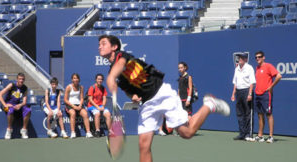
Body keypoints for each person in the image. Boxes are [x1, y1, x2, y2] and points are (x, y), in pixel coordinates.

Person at [98, 34, 230, 162]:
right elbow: (127, 90)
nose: (100, 47)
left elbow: (120, 66)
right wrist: (132, 96)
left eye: (103, 44)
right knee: (143, 146)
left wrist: (111, 78)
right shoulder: (112, 72)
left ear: (114, 47)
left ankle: (209, 105)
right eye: (99, 45)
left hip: (162, 94)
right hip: (147, 104)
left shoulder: (122, 56)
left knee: (187, 132)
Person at [254, 51, 282, 143]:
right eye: (256, 57)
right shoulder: (257, 68)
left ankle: (270, 136)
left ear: (263, 57)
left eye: (259, 57)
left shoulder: (268, 66)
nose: (257, 59)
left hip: (266, 94)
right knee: (260, 115)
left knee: (268, 114)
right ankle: (260, 136)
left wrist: (271, 86)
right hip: (257, 94)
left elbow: (279, 76)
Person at [230, 53, 256, 141]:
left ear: (245, 59)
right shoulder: (236, 68)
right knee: (240, 113)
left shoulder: (249, 68)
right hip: (238, 92)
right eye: (238, 58)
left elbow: (252, 82)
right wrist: (233, 93)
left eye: (241, 58)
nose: (239, 59)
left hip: (247, 90)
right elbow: (235, 82)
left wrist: (250, 94)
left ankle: (249, 134)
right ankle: (242, 133)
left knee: (248, 113)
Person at [0, 73, 31, 140]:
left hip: (16, 105)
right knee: (10, 110)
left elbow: (24, 102)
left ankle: (24, 130)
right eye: (20, 79)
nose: (21, 80)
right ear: (17, 79)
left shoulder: (25, 88)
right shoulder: (11, 85)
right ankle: (9, 130)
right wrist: (5, 104)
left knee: (28, 110)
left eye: (23, 79)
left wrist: (20, 105)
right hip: (7, 105)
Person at [64, 73, 93, 138]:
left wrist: (80, 105)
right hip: (70, 104)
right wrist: (73, 106)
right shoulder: (68, 87)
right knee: (73, 113)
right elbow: (65, 100)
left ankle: (88, 132)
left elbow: (82, 98)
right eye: (74, 78)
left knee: (85, 114)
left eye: (77, 78)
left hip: (78, 104)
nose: (76, 79)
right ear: (72, 79)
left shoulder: (81, 87)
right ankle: (73, 132)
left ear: (79, 79)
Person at [86, 73, 112, 137]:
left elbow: (104, 98)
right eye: (98, 79)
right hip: (92, 106)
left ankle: (110, 131)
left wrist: (103, 106)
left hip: (100, 106)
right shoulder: (92, 88)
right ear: (96, 80)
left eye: (101, 79)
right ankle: (97, 131)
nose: (100, 80)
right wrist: (97, 107)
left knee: (108, 114)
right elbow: (90, 100)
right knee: (97, 113)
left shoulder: (103, 88)